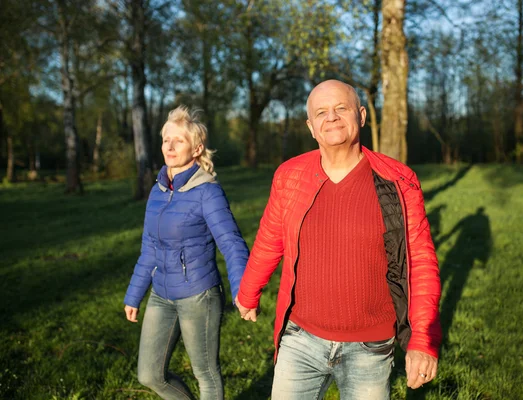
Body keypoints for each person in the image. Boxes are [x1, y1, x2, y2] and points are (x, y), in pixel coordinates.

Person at [236, 80, 442, 399]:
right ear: (311, 127)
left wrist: (423, 341)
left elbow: (421, 264)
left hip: (370, 348)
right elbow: (270, 238)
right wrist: (249, 291)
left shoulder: (398, 181)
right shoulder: (289, 175)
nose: (331, 117)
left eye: (340, 108)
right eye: (321, 112)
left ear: (360, 115)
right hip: (300, 338)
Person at [123, 105, 249, 400]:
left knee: (205, 373)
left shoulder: (208, 191)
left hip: (198, 296)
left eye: (178, 140)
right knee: (149, 374)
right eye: (166, 139)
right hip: (161, 293)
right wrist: (133, 294)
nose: (169, 145)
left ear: (196, 148)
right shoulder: (158, 190)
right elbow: (149, 247)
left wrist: (243, 290)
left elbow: (231, 242)